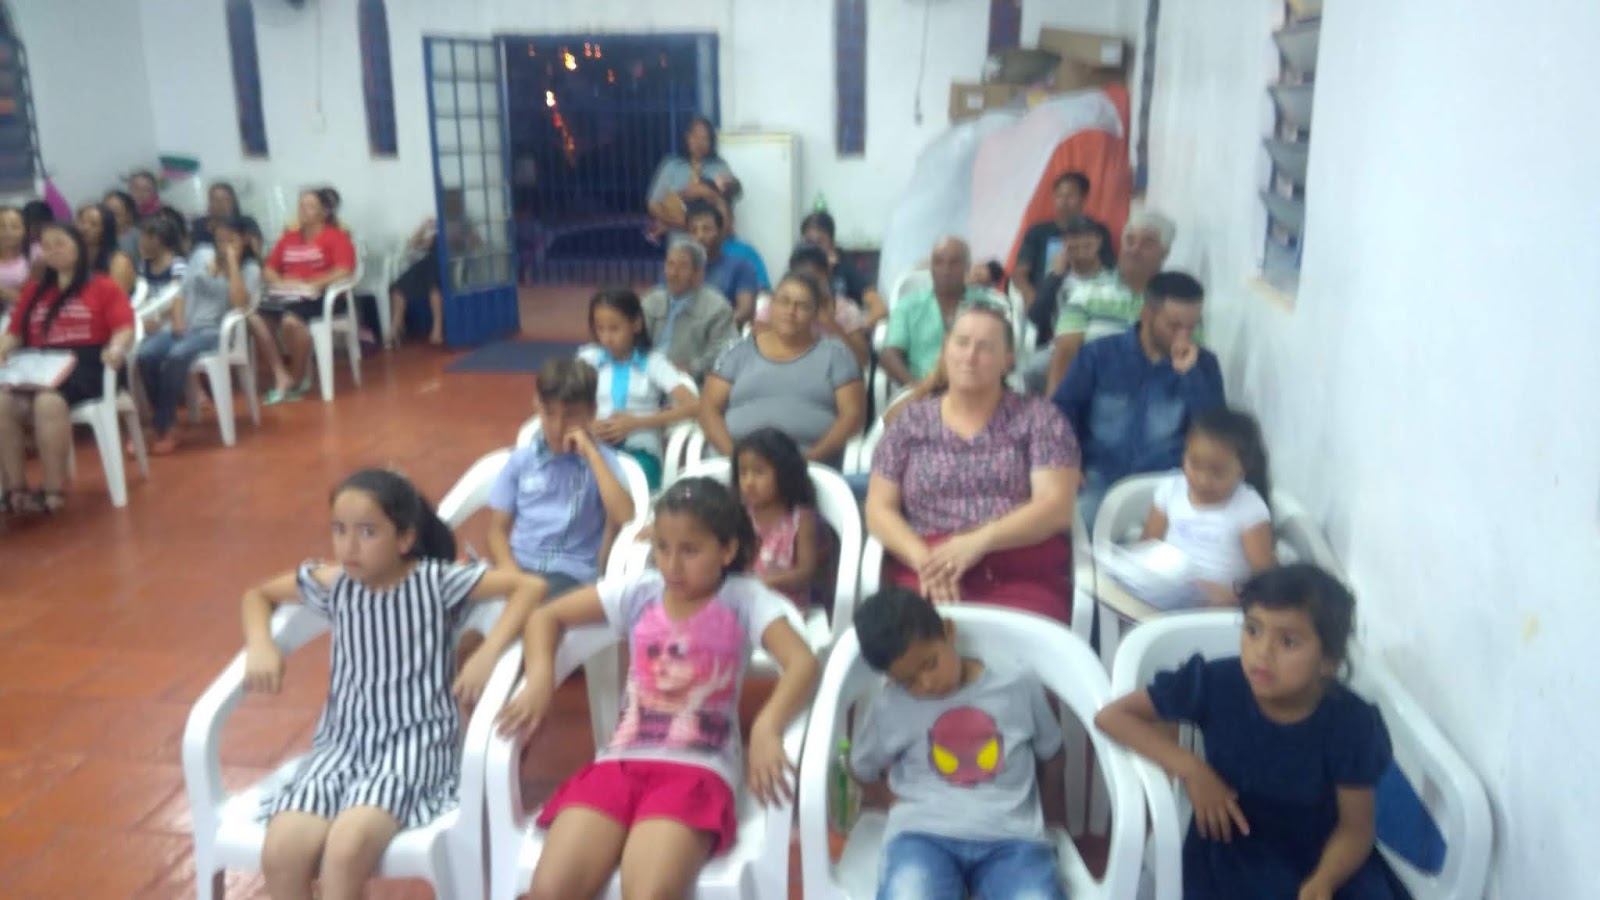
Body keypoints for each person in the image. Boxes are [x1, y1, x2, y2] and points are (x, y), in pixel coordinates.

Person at [495, 476, 819, 900]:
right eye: (662, 548)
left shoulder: (743, 598)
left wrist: (766, 726)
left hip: (696, 769)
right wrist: (540, 677)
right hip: (619, 763)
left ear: (727, 550)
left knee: (649, 895)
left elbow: (802, 662)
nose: (672, 565)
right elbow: (545, 617)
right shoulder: (640, 592)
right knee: (549, 891)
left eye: (690, 550)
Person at [246, 468, 545, 900]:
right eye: (339, 530)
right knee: (280, 852)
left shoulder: (434, 581)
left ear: (404, 539)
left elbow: (529, 587)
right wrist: (260, 644)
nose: (349, 545)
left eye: (367, 532)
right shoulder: (335, 583)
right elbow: (257, 595)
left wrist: (487, 652)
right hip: (341, 746)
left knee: (346, 850)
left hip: (415, 746)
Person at [1095, 564, 1396, 900]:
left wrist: (1324, 880)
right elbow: (1113, 716)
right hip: (1232, 851)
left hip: (1323, 857)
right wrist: (1191, 768)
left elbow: (1355, 829)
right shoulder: (1216, 683)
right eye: (1252, 630)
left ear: (1328, 660)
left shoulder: (1351, 722)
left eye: (1288, 642)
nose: (1262, 652)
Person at [851, 586, 1069, 900]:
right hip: (923, 836)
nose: (927, 684)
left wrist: (1044, 816)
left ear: (948, 631)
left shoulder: (1016, 683)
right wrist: (893, 803)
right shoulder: (892, 706)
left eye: (930, 664)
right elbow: (862, 767)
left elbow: (1052, 753)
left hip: (1012, 839)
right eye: (908, 680)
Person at [866, 303, 1080, 622]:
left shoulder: (1039, 418)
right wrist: (925, 562)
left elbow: (1055, 506)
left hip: (1018, 567)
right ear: (945, 350)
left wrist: (978, 542)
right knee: (913, 637)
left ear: (1008, 360)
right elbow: (879, 508)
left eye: (986, 347)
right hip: (927, 565)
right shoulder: (911, 421)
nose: (970, 356)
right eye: (962, 343)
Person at [1053, 270, 1225, 528]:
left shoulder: (1203, 366)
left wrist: (1190, 376)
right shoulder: (1099, 355)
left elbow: (1214, 433)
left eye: (1191, 327)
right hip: (1100, 477)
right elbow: (1061, 413)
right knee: (1077, 524)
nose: (1183, 336)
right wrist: (1066, 458)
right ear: (1146, 315)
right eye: (1174, 326)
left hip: (1167, 483)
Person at [0, 222, 135, 514]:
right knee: (2, 402)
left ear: (78, 247)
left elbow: (124, 328)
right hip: (41, 364)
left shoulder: (102, 285)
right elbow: (15, 333)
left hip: (88, 363)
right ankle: (15, 487)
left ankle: (52, 489)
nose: (53, 251)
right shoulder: (35, 290)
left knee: (48, 402)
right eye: (47, 247)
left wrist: (116, 349)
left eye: (60, 243)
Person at [488, 358, 637, 598]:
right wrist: (511, 573)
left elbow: (625, 516)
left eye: (570, 416)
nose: (558, 427)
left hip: (569, 575)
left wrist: (592, 454)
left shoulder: (603, 461)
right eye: (549, 414)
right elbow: (496, 531)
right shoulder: (521, 461)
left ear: (591, 412)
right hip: (518, 567)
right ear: (537, 406)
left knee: (534, 612)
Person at [700, 271, 865, 467]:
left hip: (808, 466)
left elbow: (852, 417)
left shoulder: (836, 355)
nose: (790, 311)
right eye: (783, 301)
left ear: (815, 313)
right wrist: (736, 460)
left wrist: (805, 462)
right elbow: (708, 409)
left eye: (802, 306)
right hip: (735, 463)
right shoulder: (737, 351)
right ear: (771, 305)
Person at [135, 216, 259, 455]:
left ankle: (162, 426)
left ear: (244, 240)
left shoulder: (250, 269)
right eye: (219, 240)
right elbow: (181, 292)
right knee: (146, 353)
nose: (223, 246)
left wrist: (232, 265)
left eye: (230, 240)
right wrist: (178, 320)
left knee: (176, 355)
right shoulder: (202, 254)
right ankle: (166, 422)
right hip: (185, 326)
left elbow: (241, 306)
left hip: (216, 333)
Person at [1142, 407, 1277, 606]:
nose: (1203, 480)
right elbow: (1146, 546)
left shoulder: (1248, 508)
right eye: (1194, 464)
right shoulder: (1171, 490)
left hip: (1219, 610)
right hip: (1166, 598)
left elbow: (1268, 581)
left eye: (1218, 472)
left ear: (1242, 469)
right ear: (1184, 454)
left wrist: (1233, 597)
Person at [1044, 209, 1178, 395]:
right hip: (1092, 396)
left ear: (1165, 253)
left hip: (1154, 397)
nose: (1134, 249)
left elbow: (1187, 359)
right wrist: (1054, 408)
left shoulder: (1176, 303)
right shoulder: (1087, 292)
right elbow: (1064, 353)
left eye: (1147, 243)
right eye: (1129, 240)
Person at [576, 288, 700, 490]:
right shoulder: (588, 359)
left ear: (636, 324)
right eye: (600, 329)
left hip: (640, 450)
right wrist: (588, 424)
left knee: (630, 483)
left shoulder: (653, 363)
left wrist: (637, 423)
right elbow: (564, 400)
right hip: (594, 447)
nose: (606, 338)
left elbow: (694, 406)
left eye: (614, 329)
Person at [254, 188, 357, 403]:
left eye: (309, 206)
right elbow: (269, 269)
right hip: (288, 293)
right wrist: (282, 283)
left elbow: (344, 270)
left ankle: (298, 376)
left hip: (322, 296)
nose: (303, 210)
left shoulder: (336, 237)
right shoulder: (288, 239)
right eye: (301, 205)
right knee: (256, 318)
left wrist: (313, 284)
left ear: (323, 212)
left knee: (291, 322)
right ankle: (280, 374)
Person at [879, 237, 994, 389]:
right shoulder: (908, 306)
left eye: (954, 263)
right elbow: (889, 356)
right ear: (931, 267)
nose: (946, 270)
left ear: (967, 267)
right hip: (922, 388)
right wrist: (917, 389)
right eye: (939, 262)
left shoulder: (986, 305)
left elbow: (1004, 354)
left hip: (976, 391)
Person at [733, 428, 821, 611]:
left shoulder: (800, 520)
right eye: (743, 473)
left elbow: (806, 572)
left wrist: (765, 582)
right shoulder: (738, 514)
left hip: (783, 606)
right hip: (742, 602)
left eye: (759, 472)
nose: (749, 482)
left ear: (784, 473)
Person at [754, 242, 869, 367]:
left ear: (827, 275)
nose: (808, 286)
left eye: (814, 279)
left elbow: (861, 361)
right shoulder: (775, 305)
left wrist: (830, 324)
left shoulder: (844, 309)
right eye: (802, 280)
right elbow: (755, 351)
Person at [1013, 171, 1114, 311]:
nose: (1064, 202)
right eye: (1059, 196)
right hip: (1044, 301)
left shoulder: (1098, 231)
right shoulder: (1038, 232)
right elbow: (1019, 273)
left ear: (1083, 198)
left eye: (1070, 196)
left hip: (1086, 300)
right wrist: (1029, 295)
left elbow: (1109, 269)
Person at [640, 238, 738, 382]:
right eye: (670, 264)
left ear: (699, 274)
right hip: (646, 376)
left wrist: (691, 368)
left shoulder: (717, 308)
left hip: (689, 381)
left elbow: (725, 352)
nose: (673, 273)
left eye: (682, 267)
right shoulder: (651, 300)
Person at [646, 115, 737, 237]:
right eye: (695, 136)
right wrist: (683, 224)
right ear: (687, 138)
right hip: (680, 240)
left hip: (712, 240)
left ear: (711, 142)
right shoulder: (671, 165)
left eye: (705, 138)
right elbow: (653, 204)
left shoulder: (720, 167)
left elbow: (728, 208)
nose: (699, 142)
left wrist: (707, 193)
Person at [800, 210, 886, 327]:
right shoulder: (798, 267)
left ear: (831, 243)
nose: (814, 247)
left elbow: (880, 308)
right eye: (809, 242)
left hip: (843, 330)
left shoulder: (844, 266)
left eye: (820, 242)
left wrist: (860, 328)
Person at [686, 201, 759, 325]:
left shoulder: (740, 267)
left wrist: (713, 328)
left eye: (706, 229)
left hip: (723, 332)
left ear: (720, 233)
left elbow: (745, 311)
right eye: (693, 231)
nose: (700, 236)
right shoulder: (678, 269)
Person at [76, 202, 137, 296]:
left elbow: (117, 299)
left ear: (106, 229)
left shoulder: (119, 261)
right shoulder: (74, 256)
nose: (84, 228)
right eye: (81, 222)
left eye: (93, 224)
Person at [190, 181, 261, 248]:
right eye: (216, 200)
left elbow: (255, 248)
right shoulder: (199, 225)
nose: (221, 204)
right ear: (209, 203)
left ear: (233, 202)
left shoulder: (246, 223)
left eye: (226, 199)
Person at [135, 216, 188, 294]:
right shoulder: (144, 265)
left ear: (159, 240)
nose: (141, 242)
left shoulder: (178, 266)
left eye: (147, 237)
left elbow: (177, 294)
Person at [0, 207, 30, 317]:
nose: (8, 232)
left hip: (21, 318)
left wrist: (4, 293)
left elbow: (35, 302)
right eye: (2, 226)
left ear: (24, 230)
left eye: (15, 227)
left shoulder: (35, 258)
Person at [102, 189, 142, 261]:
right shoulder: (99, 236)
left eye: (115, 213)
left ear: (129, 214)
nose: (109, 218)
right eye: (106, 213)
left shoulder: (140, 238)